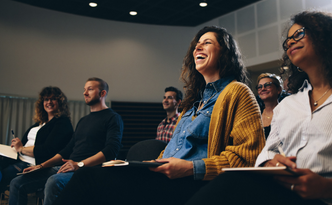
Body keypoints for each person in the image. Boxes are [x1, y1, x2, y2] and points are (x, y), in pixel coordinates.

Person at [52, 26, 265, 205]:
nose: (198, 46)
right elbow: (176, 149)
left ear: (225, 52)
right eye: (197, 43)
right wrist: (151, 162)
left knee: (87, 179)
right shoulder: (192, 103)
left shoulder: (238, 92)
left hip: (193, 183)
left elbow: (249, 158)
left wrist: (191, 168)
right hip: (164, 176)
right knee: (94, 177)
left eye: (207, 42)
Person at [185, 10, 332, 205]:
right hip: (285, 192)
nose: (291, 42)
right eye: (288, 41)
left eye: (299, 34)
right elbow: (267, 152)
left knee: (231, 183)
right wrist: (271, 162)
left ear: (328, 37)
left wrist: (330, 186)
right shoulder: (288, 105)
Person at [9, 78, 124, 205]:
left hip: (90, 170)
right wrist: (41, 166)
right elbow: (67, 150)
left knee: (54, 181)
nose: (85, 93)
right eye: (84, 90)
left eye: (90, 89)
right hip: (68, 168)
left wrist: (79, 164)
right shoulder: (83, 120)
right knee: (17, 182)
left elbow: (111, 150)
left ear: (102, 93)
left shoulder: (113, 118)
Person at [0, 87, 73, 193]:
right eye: (46, 99)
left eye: (53, 99)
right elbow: (23, 144)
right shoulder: (39, 124)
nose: (49, 102)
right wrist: (17, 146)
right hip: (18, 158)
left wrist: (21, 149)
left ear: (60, 102)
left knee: (5, 174)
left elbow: (47, 150)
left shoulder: (63, 123)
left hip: (32, 163)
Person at [255, 73, 283, 138]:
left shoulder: (286, 111)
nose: (263, 89)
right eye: (259, 87)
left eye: (267, 85)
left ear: (278, 89)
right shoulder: (256, 115)